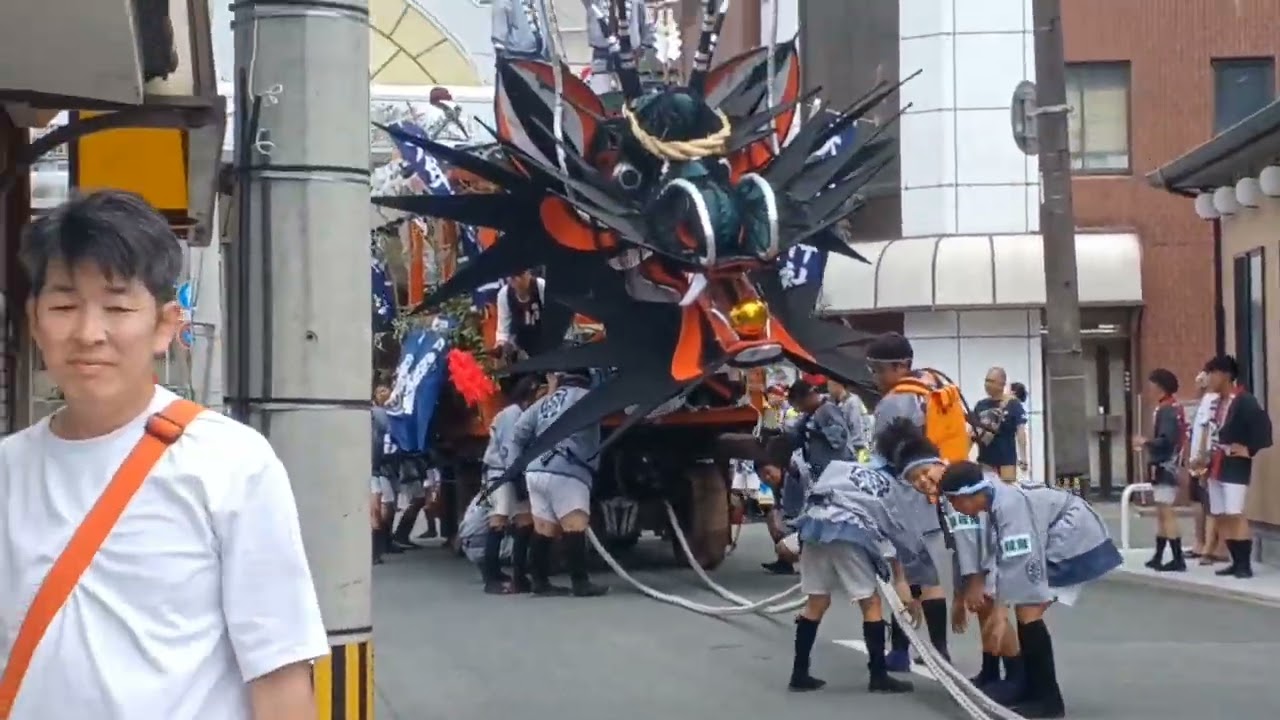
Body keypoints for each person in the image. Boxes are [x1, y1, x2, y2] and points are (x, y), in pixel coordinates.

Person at [0, 191, 327, 718]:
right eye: (63, 306)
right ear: (35, 322)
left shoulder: (230, 463)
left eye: (117, 306)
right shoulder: (8, 471)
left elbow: (279, 672)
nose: (88, 333)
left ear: (166, 324)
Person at [937, 457, 1123, 718]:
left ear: (969, 494)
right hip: (1055, 534)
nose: (955, 508)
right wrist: (988, 591)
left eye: (955, 501)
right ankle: (1031, 689)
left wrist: (1000, 610)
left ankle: (1049, 699)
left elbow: (1019, 559)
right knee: (1025, 609)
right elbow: (998, 552)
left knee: (1028, 612)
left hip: (1075, 536)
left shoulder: (1008, 505)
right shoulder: (993, 497)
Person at [762, 447, 917, 695]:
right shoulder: (892, 486)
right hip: (848, 532)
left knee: (817, 601)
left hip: (814, 527)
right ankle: (878, 675)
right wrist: (900, 578)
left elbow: (815, 491)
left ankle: (799, 673)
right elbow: (894, 532)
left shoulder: (845, 467)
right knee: (871, 602)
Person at [865, 332, 958, 669]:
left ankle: (901, 651)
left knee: (901, 575)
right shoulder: (935, 390)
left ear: (900, 365)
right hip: (936, 493)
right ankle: (938, 649)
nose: (875, 378)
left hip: (904, 495)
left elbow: (883, 456)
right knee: (927, 575)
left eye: (878, 370)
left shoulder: (894, 403)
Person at [506, 369, 608, 596]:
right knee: (575, 524)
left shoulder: (546, 401)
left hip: (536, 468)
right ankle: (580, 582)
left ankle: (540, 581)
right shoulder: (586, 397)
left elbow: (519, 430)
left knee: (545, 528)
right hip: (567, 467)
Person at [1201, 355, 1273, 579]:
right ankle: (1234, 560)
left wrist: (1249, 450)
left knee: (1235, 513)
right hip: (1215, 463)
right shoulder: (1216, 402)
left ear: (1225, 375)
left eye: (1211, 373)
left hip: (1234, 464)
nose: (1208, 379)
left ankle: (1244, 564)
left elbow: (1263, 429)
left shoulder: (1244, 400)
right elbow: (1212, 433)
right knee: (1221, 513)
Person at [480, 375, 542, 594]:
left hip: (515, 472)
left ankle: (519, 575)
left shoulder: (523, 414)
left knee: (524, 522)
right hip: (501, 473)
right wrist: (517, 478)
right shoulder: (511, 415)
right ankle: (490, 577)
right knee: (499, 521)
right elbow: (508, 450)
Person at [1134, 368, 1188, 572]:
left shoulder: (1167, 410)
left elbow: (1166, 440)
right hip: (1167, 465)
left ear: (1159, 387)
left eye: (1152, 385)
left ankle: (1177, 558)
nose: (1149, 389)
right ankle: (1159, 555)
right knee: (1161, 512)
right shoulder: (1170, 407)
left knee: (1166, 512)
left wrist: (1145, 441)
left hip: (1166, 466)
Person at [972, 367, 1029, 483]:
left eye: (991, 381)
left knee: (1008, 494)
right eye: (986, 381)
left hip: (1006, 463)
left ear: (1002, 384)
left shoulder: (1013, 404)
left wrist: (1023, 458)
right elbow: (973, 432)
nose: (987, 384)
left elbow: (1021, 431)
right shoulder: (980, 405)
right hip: (985, 462)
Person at [1187, 372, 1221, 562]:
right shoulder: (1203, 400)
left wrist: (1202, 456)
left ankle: (1209, 546)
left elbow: (1207, 428)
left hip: (1206, 458)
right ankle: (1199, 542)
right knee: (1196, 500)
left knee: (1209, 503)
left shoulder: (1213, 399)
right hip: (1196, 458)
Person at [494, 269, 547, 362]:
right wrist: (500, 345)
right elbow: (503, 331)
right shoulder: (504, 294)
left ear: (529, 273)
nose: (517, 280)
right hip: (521, 347)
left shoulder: (541, 286)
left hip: (546, 341)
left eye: (520, 275)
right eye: (513, 277)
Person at [371, 383, 397, 565]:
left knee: (385, 506)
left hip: (383, 467)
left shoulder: (383, 413)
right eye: (379, 391)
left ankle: (382, 545)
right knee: (378, 509)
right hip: (374, 469)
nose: (383, 394)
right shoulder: (378, 413)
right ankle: (376, 550)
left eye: (385, 390)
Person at [827, 378, 871, 458]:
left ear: (838, 385)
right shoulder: (834, 402)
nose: (828, 389)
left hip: (858, 450)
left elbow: (857, 427)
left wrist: (855, 449)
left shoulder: (852, 402)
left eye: (830, 386)